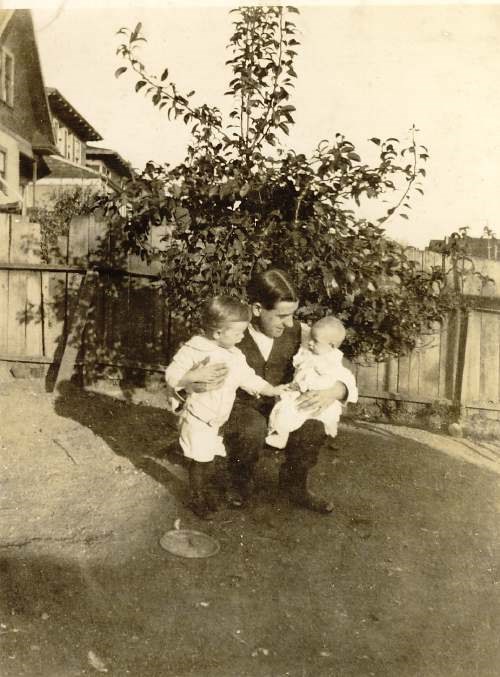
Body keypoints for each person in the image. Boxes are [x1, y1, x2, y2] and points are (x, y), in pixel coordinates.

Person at [179, 269, 357, 514]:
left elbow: (338, 363)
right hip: (241, 406)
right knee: (251, 427)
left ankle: (294, 485)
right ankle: (240, 482)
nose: (288, 322)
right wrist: (194, 382)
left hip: (284, 403)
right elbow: (190, 369)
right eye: (281, 315)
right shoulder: (231, 334)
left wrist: (337, 390)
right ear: (257, 309)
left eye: (292, 315)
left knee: (313, 427)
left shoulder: (302, 333)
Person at [164, 295, 284, 519]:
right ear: (218, 333)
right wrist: (192, 375)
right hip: (198, 415)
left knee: (209, 460)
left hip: (219, 416)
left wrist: (270, 389)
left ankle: (205, 491)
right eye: (238, 333)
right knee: (200, 461)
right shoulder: (194, 350)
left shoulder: (235, 355)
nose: (242, 336)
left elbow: (248, 377)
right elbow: (172, 374)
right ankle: (197, 497)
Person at [265, 315, 357, 450]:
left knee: (315, 419)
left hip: (317, 397)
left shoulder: (332, 361)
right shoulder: (309, 352)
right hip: (299, 394)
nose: (310, 343)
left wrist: (336, 390)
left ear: (331, 345)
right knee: (285, 411)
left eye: (315, 341)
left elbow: (346, 379)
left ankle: (327, 431)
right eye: (310, 338)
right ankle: (280, 435)